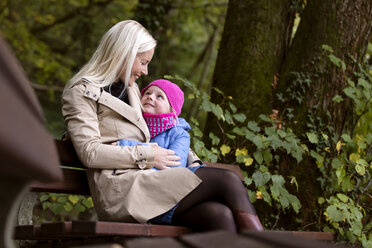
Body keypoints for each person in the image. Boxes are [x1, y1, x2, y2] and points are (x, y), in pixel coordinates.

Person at [62, 20, 263, 232]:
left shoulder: (132, 90)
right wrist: (148, 155)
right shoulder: (82, 92)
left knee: (218, 216)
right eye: (143, 62)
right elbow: (90, 153)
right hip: (123, 190)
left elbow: (162, 129)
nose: (146, 71)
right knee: (227, 181)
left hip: (153, 180)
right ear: (125, 54)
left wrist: (190, 159)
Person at [117, 79, 203, 173]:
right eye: (148, 93)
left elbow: (174, 166)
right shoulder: (133, 122)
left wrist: (125, 144)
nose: (150, 97)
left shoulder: (179, 134)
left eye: (159, 96)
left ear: (172, 109)